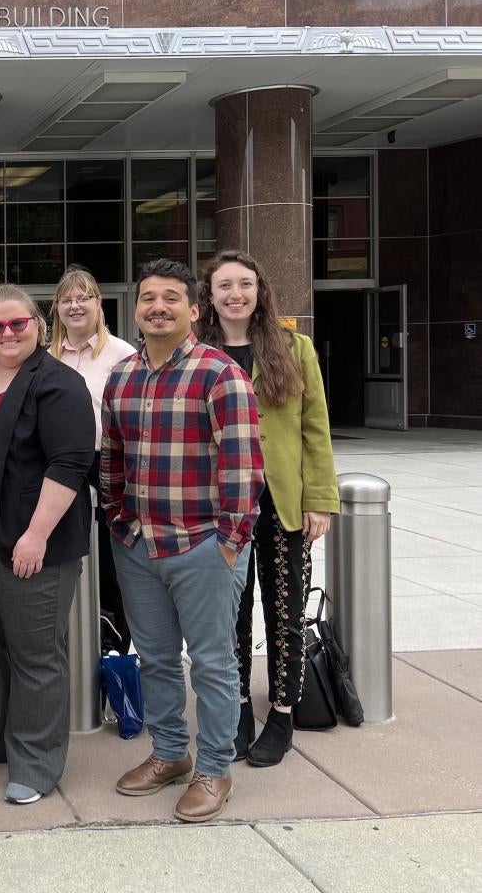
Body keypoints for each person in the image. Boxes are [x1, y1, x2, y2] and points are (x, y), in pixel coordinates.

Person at [102, 258, 262, 824]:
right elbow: (113, 458)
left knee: (214, 664)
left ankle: (215, 768)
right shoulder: (122, 376)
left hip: (201, 545)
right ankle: (170, 753)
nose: (158, 307)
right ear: (137, 308)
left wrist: (229, 541)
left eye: (171, 298)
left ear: (194, 310)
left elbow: (244, 468)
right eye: (148, 297)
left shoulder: (220, 374)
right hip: (139, 544)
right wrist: (119, 522)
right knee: (157, 660)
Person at [0, 285, 94, 807]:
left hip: (28, 545)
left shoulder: (58, 384)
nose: (8, 334)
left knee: (35, 656)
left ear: (38, 325)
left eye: (18, 324)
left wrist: (36, 535)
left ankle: (36, 761)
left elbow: (69, 465)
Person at [196, 251, 338, 767]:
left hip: (281, 502)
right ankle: (235, 710)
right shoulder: (198, 352)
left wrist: (320, 499)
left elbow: (314, 429)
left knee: (285, 610)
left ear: (260, 291)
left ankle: (281, 713)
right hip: (219, 505)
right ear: (208, 296)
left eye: (246, 284)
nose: (236, 293)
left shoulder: (293, 349)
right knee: (227, 613)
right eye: (224, 285)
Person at [47, 265, 136, 654]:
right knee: (66, 562)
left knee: (110, 570)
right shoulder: (45, 356)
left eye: (83, 297)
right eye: (67, 299)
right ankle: (71, 651)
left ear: (99, 304)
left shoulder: (124, 355)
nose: (75, 305)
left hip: (108, 467)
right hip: (59, 467)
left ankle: (112, 653)